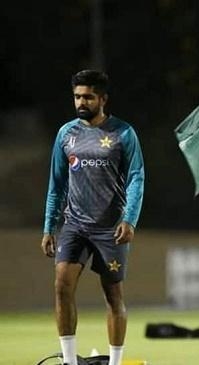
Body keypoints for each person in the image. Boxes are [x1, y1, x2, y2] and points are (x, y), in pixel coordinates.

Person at [41, 70, 145, 365]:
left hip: (110, 228)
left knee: (113, 296)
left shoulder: (123, 133)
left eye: (87, 96)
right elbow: (57, 183)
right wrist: (49, 226)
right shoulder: (66, 134)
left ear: (103, 99)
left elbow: (137, 177)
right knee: (62, 285)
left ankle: (114, 362)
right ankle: (69, 361)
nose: (81, 102)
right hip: (74, 225)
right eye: (77, 97)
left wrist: (130, 219)